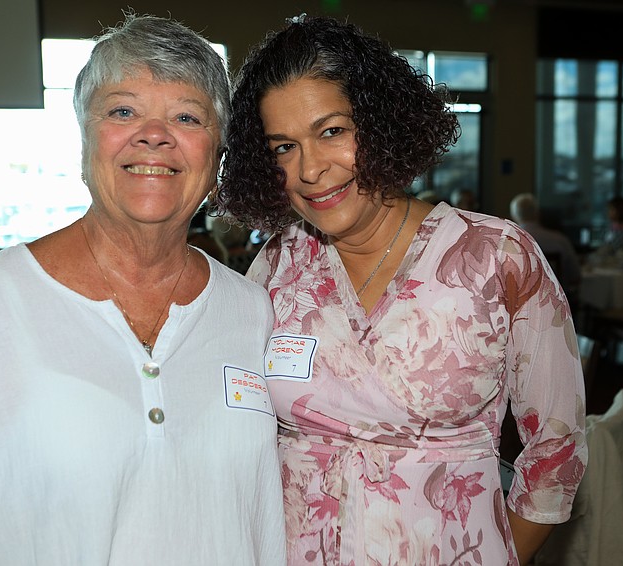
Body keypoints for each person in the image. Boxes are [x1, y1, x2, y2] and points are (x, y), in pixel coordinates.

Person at [0, 14, 285, 565]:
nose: (154, 134)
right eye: (123, 111)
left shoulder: (252, 311)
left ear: (217, 157)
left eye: (187, 117)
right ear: (85, 141)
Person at [217, 15, 587, 566]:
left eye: (332, 131)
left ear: (381, 122)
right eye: (284, 147)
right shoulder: (278, 266)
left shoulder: (496, 258)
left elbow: (556, 454)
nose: (310, 169)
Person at [509, 193, 581, 296]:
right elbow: (575, 276)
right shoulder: (560, 240)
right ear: (538, 213)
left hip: (521, 303)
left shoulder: (509, 241)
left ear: (514, 215)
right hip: (557, 301)